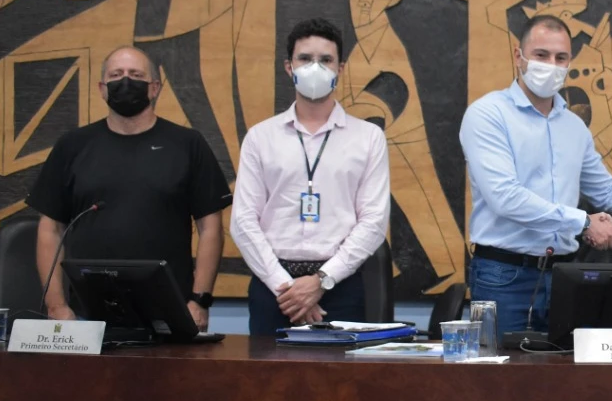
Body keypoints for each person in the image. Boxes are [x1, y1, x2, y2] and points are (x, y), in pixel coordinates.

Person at [460, 14, 612, 334]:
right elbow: (505, 197)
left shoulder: (574, 127)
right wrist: (584, 222)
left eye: (560, 58)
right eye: (541, 55)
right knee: (502, 365)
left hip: (564, 276)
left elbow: (607, 193)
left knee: (563, 364)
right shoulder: (488, 114)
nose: (551, 65)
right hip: (504, 275)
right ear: (518, 56)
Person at [27, 46, 231, 330]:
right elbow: (50, 229)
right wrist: (56, 306)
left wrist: (199, 300)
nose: (125, 81)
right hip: (87, 312)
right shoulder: (72, 146)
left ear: (154, 88)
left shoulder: (188, 144)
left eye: (135, 75)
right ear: (102, 88)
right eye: (116, 75)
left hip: (170, 313)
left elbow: (210, 228)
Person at [231, 18, 390, 335]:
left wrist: (321, 281)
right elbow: (243, 220)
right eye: (305, 59)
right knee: (265, 369)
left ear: (340, 69)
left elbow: (374, 221)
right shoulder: (260, 137)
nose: (315, 68)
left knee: (338, 369)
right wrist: (287, 288)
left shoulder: (368, 137)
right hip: (273, 288)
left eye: (325, 60)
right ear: (288, 67)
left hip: (340, 286)